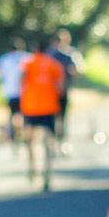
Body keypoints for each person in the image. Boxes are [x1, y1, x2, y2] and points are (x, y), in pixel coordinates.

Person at [20, 39, 65, 190]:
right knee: (47, 142)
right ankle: (47, 175)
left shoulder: (27, 62)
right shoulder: (52, 64)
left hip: (30, 107)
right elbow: (60, 86)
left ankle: (32, 170)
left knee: (30, 141)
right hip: (49, 107)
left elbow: (21, 79)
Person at [46, 28, 85, 152]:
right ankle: (61, 143)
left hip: (51, 91)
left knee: (53, 118)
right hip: (61, 90)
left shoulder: (49, 54)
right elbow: (79, 69)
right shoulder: (70, 53)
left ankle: (53, 143)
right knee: (61, 118)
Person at [0, 37, 30, 146]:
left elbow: (0, 76)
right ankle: (25, 134)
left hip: (10, 91)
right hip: (24, 91)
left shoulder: (4, 59)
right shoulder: (27, 57)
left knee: (11, 114)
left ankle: (11, 133)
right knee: (24, 114)